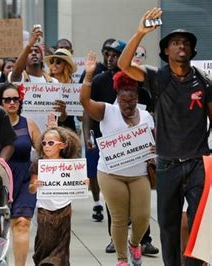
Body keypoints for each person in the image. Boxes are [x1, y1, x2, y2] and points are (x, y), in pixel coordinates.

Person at [118, 7, 210, 266]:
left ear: (192, 51)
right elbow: (124, 65)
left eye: (186, 43)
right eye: (175, 43)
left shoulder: (204, 82)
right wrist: (139, 33)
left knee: (199, 224)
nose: (181, 46)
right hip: (167, 164)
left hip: (198, 163)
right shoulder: (157, 77)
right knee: (168, 228)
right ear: (166, 51)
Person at [80, 52, 154, 266]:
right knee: (120, 218)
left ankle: (134, 244)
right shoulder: (107, 111)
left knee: (142, 217)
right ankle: (122, 259)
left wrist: (153, 149)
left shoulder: (146, 116)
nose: (128, 105)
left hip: (139, 174)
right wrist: (89, 75)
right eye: (123, 100)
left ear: (137, 98)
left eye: (132, 101)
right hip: (111, 173)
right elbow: (85, 101)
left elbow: (152, 142)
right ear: (117, 96)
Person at [0, 82, 41, 266]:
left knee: (21, 223)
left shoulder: (28, 124)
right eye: (7, 100)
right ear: (0, 102)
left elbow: (44, 152)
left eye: (15, 99)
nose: (12, 102)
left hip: (24, 179)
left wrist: (53, 129)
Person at [82, 39, 124, 224]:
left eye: (115, 55)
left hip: (129, 141)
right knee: (107, 184)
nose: (109, 58)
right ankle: (111, 229)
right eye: (107, 54)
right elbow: (87, 110)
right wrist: (87, 136)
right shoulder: (99, 80)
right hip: (103, 139)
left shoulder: (135, 79)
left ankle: (143, 238)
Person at [29, 126, 82, 265]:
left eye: (51, 143)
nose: (46, 146)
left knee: (62, 245)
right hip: (44, 209)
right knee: (44, 242)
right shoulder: (38, 164)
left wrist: (83, 182)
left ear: (62, 145)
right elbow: (31, 189)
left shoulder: (70, 164)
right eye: (44, 143)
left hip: (64, 209)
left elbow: (77, 184)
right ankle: (43, 262)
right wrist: (35, 185)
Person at [44, 48, 78, 132]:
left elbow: (80, 117)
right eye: (52, 62)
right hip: (48, 128)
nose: (54, 65)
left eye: (58, 62)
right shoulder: (45, 83)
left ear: (66, 65)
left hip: (68, 129)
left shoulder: (75, 87)